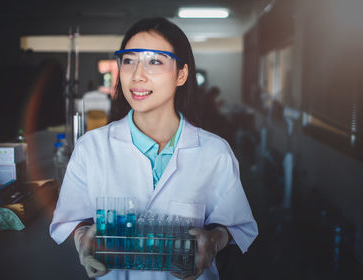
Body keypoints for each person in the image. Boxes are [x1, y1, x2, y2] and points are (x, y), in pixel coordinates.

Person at [49, 17, 258, 280]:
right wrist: (82, 238)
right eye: (129, 61)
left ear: (181, 74)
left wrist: (214, 241)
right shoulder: (91, 147)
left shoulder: (214, 151)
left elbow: (237, 225)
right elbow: (69, 219)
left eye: (154, 61)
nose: (137, 75)